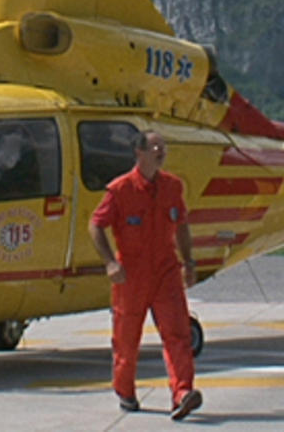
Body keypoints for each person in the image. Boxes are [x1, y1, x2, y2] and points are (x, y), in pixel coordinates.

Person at [89, 130, 202, 421]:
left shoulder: (173, 187)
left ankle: (182, 392)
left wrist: (189, 262)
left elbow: (182, 226)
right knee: (127, 339)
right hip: (132, 275)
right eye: (155, 147)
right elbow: (96, 225)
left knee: (177, 334)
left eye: (163, 147)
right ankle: (125, 390)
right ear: (139, 153)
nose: (160, 152)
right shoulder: (120, 190)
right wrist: (110, 263)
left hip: (166, 271)